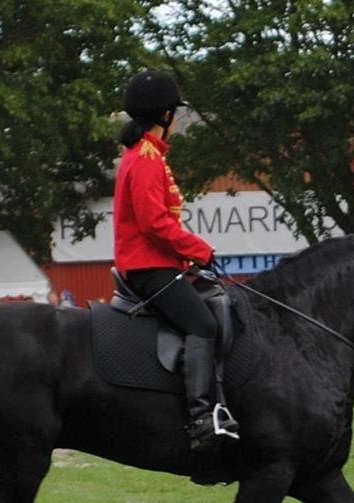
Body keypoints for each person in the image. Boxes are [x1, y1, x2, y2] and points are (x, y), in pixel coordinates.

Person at [113, 68, 238, 450]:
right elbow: (154, 223)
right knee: (202, 324)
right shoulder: (147, 157)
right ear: (165, 115)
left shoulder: (143, 154)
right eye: (176, 113)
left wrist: (188, 261)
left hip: (159, 264)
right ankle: (203, 417)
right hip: (149, 268)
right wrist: (199, 250)